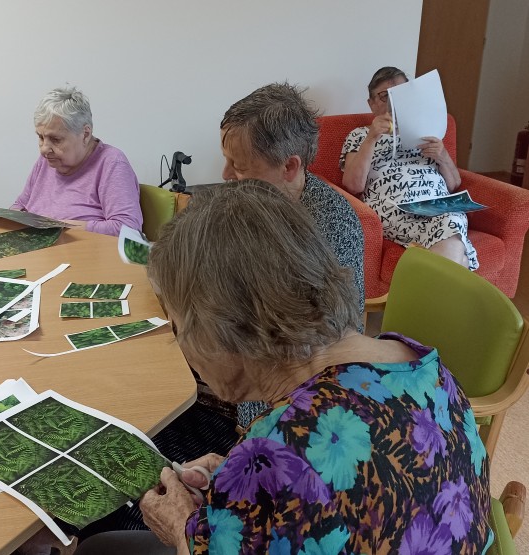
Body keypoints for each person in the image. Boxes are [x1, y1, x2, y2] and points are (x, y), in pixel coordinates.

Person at [75, 180, 493, 554]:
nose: (181, 344)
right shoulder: (422, 363)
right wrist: (247, 484)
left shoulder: (274, 448)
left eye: (179, 326)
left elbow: (302, 466)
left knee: (99, 548)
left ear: (223, 329)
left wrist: (181, 525)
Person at [219, 82, 365, 429]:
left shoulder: (326, 228)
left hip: (306, 393)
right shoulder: (269, 203)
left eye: (237, 166)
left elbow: (301, 344)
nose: (226, 176)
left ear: (289, 166)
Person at [340, 66, 478, 269]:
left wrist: (443, 156)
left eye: (402, 94)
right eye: (385, 96)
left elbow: (454, 184)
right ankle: (456, 269)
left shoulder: (428, 129)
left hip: (438, 205)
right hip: (395, 208)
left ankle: (436, 280)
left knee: (452, 217)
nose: (394, 102)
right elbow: (353, 186)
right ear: (371, 104)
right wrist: (371, 138)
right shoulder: (359, 135)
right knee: (454, 238)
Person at [10, 86, 143, 237]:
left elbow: (128, 229)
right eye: (41, 137)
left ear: (85, 134)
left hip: (83, 254)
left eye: (56, 139)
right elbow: (20, 205)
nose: (44, 149)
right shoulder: (47, 160)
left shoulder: (112, 163)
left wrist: (61, 227)